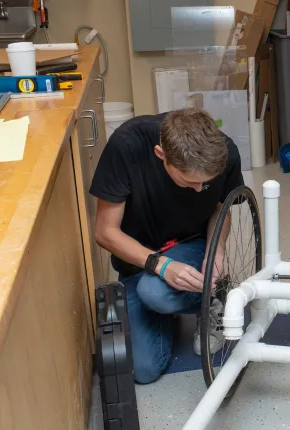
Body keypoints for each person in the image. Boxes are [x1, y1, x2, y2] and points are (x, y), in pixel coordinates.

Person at [90, 108, 244, 384]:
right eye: (190, 182)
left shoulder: (225, 151)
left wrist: (215, 252)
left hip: (190, 245)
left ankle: (213, 297)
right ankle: (170, 300)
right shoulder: (127, 146)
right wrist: (161, 265)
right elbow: (105, 232)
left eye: (206, 183)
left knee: (154, 292)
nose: (199, 191)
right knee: (145, 370)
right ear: (161, 155)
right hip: (137, 259)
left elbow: (221, 210)